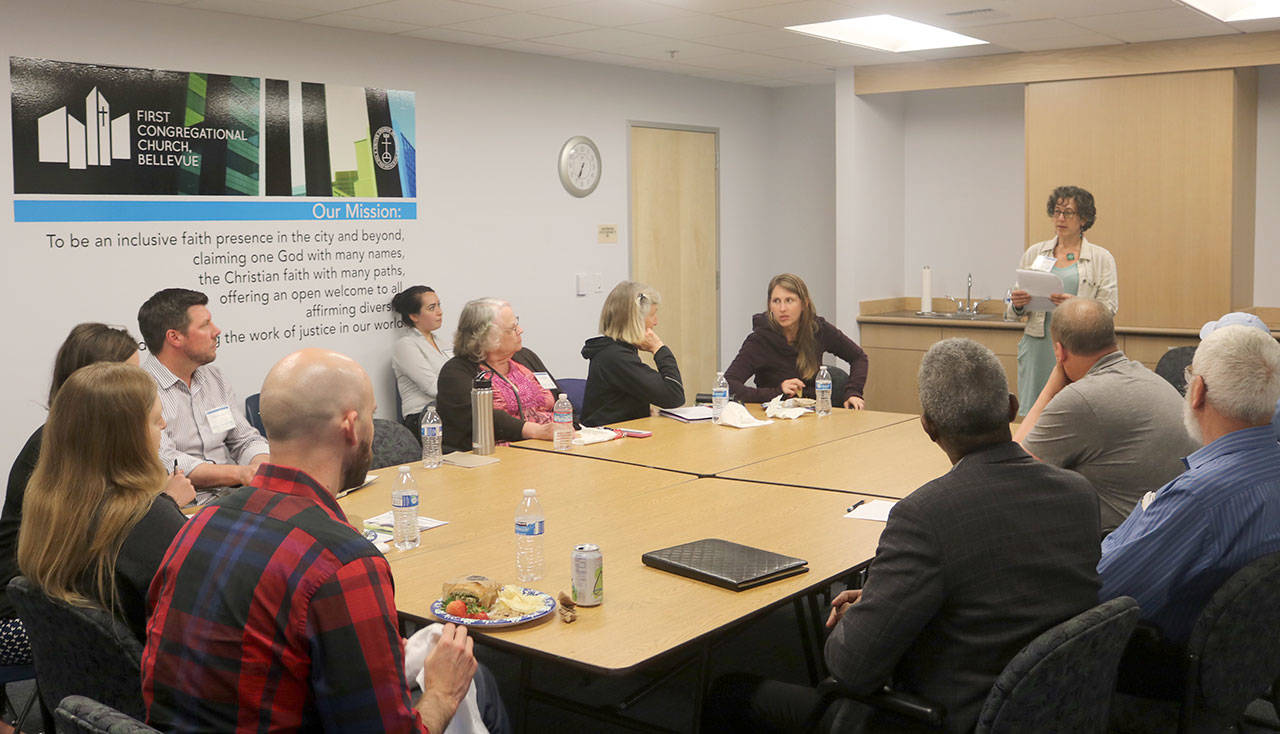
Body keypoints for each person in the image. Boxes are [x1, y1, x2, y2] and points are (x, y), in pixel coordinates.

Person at [705, 338, 1100, 733]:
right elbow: (1002, 584)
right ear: (1012, 408)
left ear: (928, 427)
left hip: (950, 717)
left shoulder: (926, 516)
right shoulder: (1079, 494)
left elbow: (851, 670)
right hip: (1047, 707)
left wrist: (860, 615)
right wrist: (888, 597)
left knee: (728, 693)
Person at [142, 349, 502, 732]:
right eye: (371, 416)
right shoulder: (342, 562)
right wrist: (444, 693)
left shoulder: (197, 526)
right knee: (476, 686)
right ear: (351, 426)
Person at [1, 324, 194, 661]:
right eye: (153, 419)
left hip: (80, 690)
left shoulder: (56, 493)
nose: (163, 427)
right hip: (148, 695)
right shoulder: (144, 520)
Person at [1099, 325, 1280, 653]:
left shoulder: (1200, 500)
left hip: (1154, 663)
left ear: (1196, 390)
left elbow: (1101, 595)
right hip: (1242, 662)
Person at [1013, 298, 1198, 532]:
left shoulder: (1081, 398)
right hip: (1172, 536)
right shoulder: (1147, 377)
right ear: (1113, 339)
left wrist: (1051, 388)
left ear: (1059, 352)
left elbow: (1008, 469)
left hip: (1121, 549)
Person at [138, 288, 269, 497]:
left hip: (230, 499)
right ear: (175, 337)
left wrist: (261, 467)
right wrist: (242, 474)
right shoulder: (140, 389)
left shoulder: (213, 378)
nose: (216, 331)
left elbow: (244, 439)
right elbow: (167, 461)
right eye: (205, 325)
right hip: (184, 508)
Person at [1007, 186, 1118, 416]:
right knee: (1036, 414)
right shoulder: (1036, 253)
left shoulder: (1101, 258)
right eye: (1056, 212)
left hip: (1079, 346)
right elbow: (1011, 311)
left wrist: (1077, 305)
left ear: (1084, 219)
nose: (1060, 218)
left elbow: (1109, 309)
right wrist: (1017, 303)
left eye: (1068, 213)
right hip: (1039, 343)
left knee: (1076, 412)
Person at [437, 298, 562, 453]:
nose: (520, 330)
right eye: (513, 328)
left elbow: (559, 397)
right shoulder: (455, 372)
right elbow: (481, 417)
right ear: (488, 336)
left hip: (546, 447)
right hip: (493, 456)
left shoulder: (525, 357)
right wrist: (535, 431)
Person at [725, 273, 868, 408]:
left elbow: (858, 357)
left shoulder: (818, 329)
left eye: (789, 300)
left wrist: (853, 392)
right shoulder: (759, 340)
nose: (782, 308)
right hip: (774, 419)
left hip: (813, 416)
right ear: (770, 306)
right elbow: (728, 384)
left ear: (804, 303)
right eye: (776, 301)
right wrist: (778, 391)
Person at [580, 281, 685, 426]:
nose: (656, 322)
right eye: (652, 315)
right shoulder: (616, 357)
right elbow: (674, 396)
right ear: (635, 321)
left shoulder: (615, 351)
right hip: (605, 443)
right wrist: (659, 348)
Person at [391, 285, 448, 438]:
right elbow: (432, 387)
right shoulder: (406, 345)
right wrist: (462, 395)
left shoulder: (444, 343)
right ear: (414, 316)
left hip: (449, 412)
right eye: (431, 308)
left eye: (439, 305)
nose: (439, 312)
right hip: (422, 417)